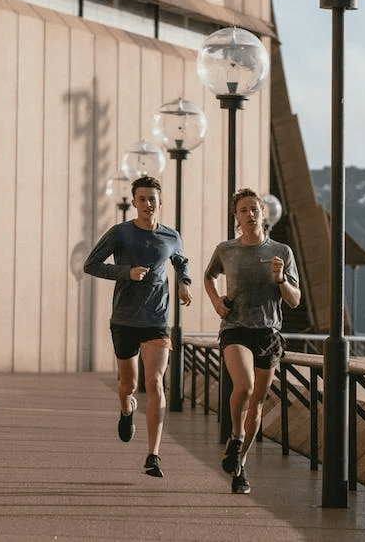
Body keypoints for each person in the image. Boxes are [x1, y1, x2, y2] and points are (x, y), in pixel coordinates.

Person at [83, 175, 192, 478]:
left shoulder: (171, 236)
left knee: (155, 382)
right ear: (133, 202)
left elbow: (181, 261)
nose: (147, 204)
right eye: (141, 199)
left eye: (152, 199)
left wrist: (184, 283)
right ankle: (126, 408)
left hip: (157, 320)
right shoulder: (120, 233)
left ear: (160, 201)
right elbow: (90, 264)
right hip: (124, 319)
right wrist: (125, 273)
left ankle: (153, 455)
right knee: (127, 384)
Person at [203, 187, 301, 494]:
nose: (249, 215)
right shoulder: (226, 250)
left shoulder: (281, 252)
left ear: (263, 214)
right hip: (235, 329)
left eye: (254, 209)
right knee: (242, 387)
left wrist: (282, 279)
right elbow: (209, 277)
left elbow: (295, 301)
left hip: (268, 334)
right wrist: (217, 302)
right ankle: (235, 435)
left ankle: (240, 466)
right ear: (236, 217)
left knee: (257, 404)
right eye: (243, 210)